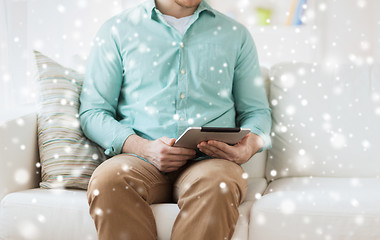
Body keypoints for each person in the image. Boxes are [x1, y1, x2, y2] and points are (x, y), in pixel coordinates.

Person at [79, 0, 272, 239]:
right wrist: (145, 148)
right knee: (108, 180)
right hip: (139, 159)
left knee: (219, 184)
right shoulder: (117, 30)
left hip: (211, 162)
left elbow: (257, 112)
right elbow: (93, 113)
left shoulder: (235, 34)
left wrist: (250, 146)